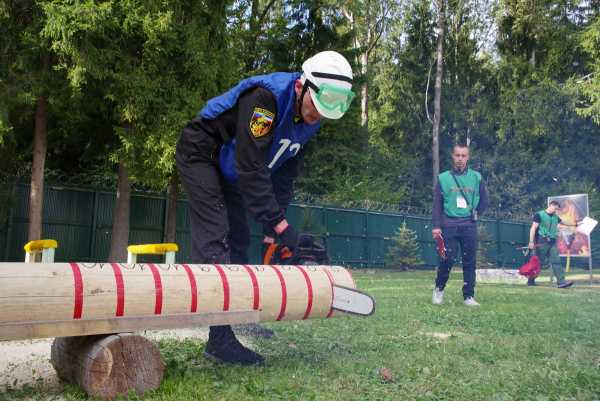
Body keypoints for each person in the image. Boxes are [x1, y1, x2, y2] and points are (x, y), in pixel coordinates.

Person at [175, 51, 355, 365]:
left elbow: (284, 172)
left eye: (326, 113)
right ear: (301, 87)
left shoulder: (312, 117)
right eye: (317, 108)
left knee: (241, 241)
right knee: (217, 241)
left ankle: (240, 318)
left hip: (232, 168)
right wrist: (283, 228)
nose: (319, 117)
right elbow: (251, 168)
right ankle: (219, 341)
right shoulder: (265, 100)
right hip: (202, 152)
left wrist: (276, 226)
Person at [431, 144, 489, 307]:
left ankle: (468, 296)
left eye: (463, 156)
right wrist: (437, 226)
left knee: (469, 261)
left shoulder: (477, 177)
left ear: (468, 157)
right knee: (446, 259)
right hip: (448, 224)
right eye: (457, 155)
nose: (460, 159)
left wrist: (476, 213)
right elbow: (437, 205)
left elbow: (485, 200)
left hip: (469, 225)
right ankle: (439, 289)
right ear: (452, 157)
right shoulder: (443, 178)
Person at [527, 201, 574, 288]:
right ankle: (531, 280)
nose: (556, 211)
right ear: (551, 206)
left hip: (552, 242)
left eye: (557, 209)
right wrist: (531, 242)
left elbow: (564, 223)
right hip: (541, 241)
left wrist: (575, 224)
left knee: (556, 261)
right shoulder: (539, 215)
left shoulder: (556, 217)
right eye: (555, 208)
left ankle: (561, 282)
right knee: (538, 263)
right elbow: (533, 228)